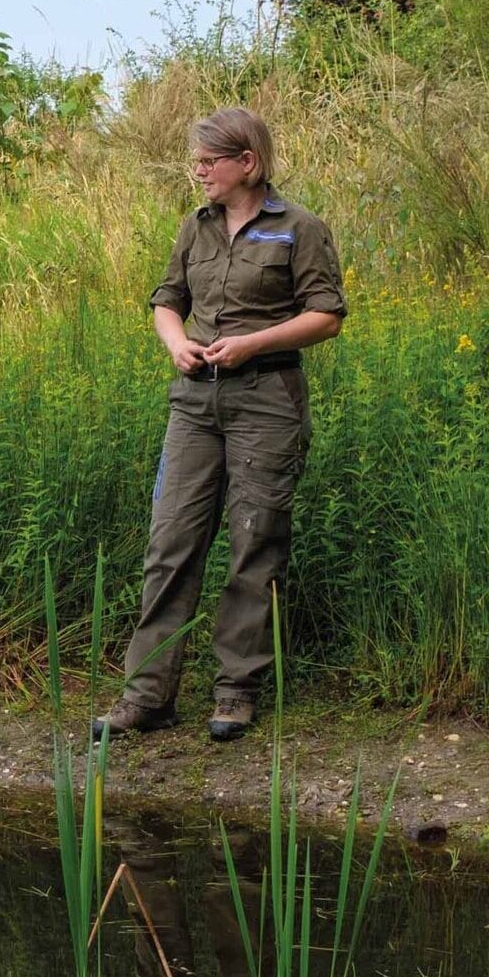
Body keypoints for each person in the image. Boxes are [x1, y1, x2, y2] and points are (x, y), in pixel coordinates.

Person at [96, 108, 346, 742]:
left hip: (267, 402)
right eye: (198, 160)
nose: (199, 171)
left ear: (248, 163)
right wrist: (176, 342)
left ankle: (236, 691)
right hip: (194, 404)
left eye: (210, 161)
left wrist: (252, 344)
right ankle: (147, 695)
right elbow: (167, 300)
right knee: (170, 543)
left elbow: (326, 316)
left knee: (254, 544)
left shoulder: (299, 228)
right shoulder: (196, 226)